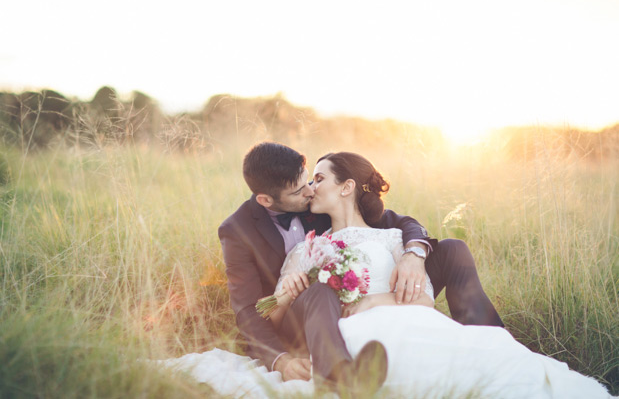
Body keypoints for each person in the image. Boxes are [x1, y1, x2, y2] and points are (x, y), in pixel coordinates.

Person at [272, 151, 611, 397]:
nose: (311, 188)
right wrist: (286, 294)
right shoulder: (308, 248)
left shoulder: (391, 239)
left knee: (483, 366)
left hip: (400, 320)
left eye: (319, 179)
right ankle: (346, 380)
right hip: (338, 335)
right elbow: (273, 316)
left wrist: (375, 300)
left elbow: (421, 298)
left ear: (347, 187)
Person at [218, 142, 503, 389]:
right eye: (302, 188)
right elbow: (248, 311)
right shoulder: (245, 232)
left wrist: (413, 254)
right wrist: (281, 360)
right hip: (303, 322)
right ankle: (340, 379)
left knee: (454, 249)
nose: (309, 191)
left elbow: (404, 225)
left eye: (313, 180)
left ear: (347, 187)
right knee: (320, 290)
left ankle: (495, 342)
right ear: (267, 200)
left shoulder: (374, 229)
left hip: (388, 311)